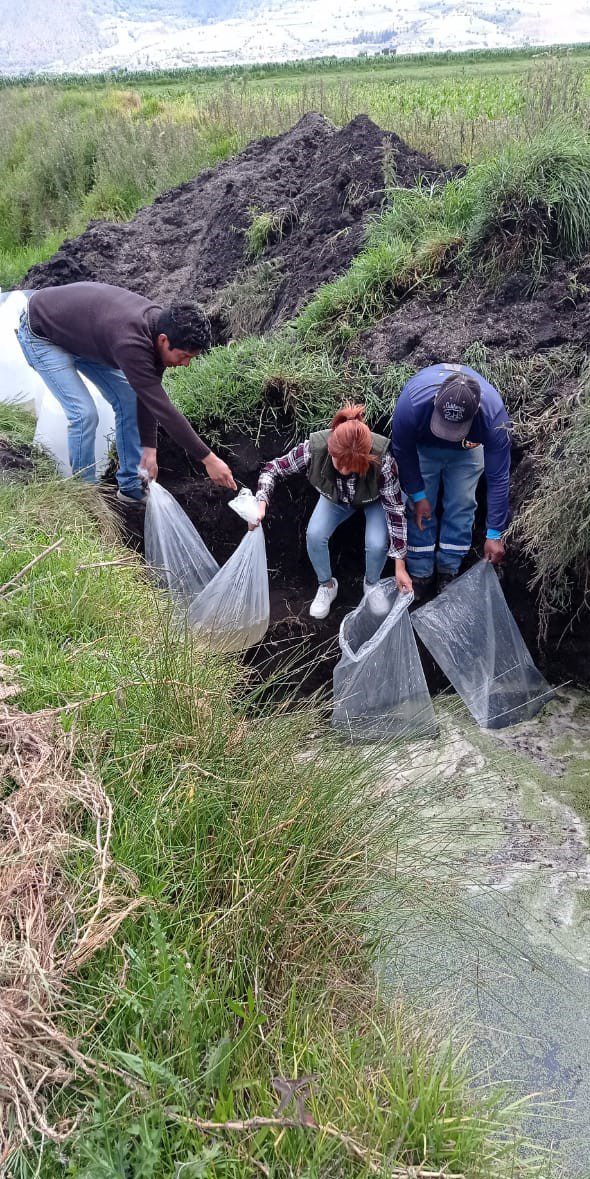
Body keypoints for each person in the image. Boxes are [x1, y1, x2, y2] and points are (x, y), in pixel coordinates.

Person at [17, 281, 236, 503]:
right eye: (183, 357)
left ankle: (132, 485)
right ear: (164, 341)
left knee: (129, 397)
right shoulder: (132, 342)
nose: (186, 364)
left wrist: (149, 449)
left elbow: (147, 396)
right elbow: (163, 409)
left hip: (82, 334)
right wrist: (209, 459)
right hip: (41, 332)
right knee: (84, 414)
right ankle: (85, 496)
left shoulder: (160, 327)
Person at [250, 404, 412, 620]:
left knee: (376, 543)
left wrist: (399, 565)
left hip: (374, 500)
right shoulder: (315, 449)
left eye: (352, 466)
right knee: (315, 535)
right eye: (339, 463)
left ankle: (372, 584)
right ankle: (327, 585)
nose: (344, 470)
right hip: (335, 499)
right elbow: (273, 469)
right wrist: (261, 502)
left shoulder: (382, 461)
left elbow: (395, 510)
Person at [391, 363, 511, 600]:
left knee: (462, 502)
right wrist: (417, 494)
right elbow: (402, 452)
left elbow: (498, 477)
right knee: (418, 509)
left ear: (476, 411)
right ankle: (420, 572)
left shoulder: (494, 416)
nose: (448, 431)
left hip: (467, 451)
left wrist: (495, 533)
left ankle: (448, 570)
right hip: (423, 448)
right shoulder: (413, 403)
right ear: (436, 401)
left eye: (455, 427)